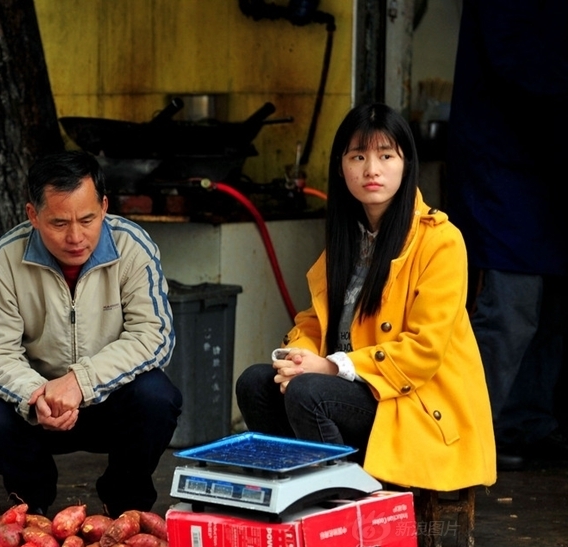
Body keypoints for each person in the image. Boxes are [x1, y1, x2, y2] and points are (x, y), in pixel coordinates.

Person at [235, 103, 495, 491]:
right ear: (341, 167)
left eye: (386, 155)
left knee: (309, 393)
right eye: (358, 156)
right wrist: (299, 358)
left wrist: (331, 367)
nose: (371, 169)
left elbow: (424, 350)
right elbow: (312, 320)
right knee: (255, 381)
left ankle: (347, 501)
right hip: (350, 391)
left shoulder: (440, 241)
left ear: (406, 164)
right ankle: (295, 490)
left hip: (409, 402)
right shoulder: (348, 239)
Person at [0, 150, 182, 517]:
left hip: (109, 399)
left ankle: (126, 501)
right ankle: (31, 499)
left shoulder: (133, 247)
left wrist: (80, 382)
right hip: (37, 408)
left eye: (88, 219)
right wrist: (36, 395)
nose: (76, 237)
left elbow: (154, 335)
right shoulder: (5, 259)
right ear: (32, 215)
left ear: (104, 206)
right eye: (59, 223)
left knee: (157, 398)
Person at [446, 0, 568, 470]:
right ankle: (456, 442)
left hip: (547, 164)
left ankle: (524, 426)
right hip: (502, 157)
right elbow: (521, 63)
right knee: (511, 311)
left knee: (552, 308)